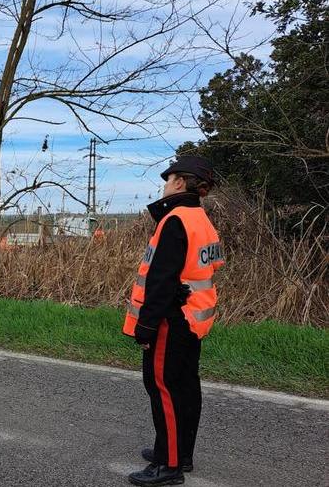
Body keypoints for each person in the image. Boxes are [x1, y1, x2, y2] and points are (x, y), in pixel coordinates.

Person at [123, 155, 224, 486]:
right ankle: (180, 453)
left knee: (163, 387)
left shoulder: (175, 220)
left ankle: (168, 466)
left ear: (180, 182)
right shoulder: (200, 218)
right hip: (194, 317)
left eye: (168, 180)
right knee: (185, 385)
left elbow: (161, 280)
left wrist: (146, 326)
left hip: (171, 319)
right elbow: (205, 268)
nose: (164, 186)